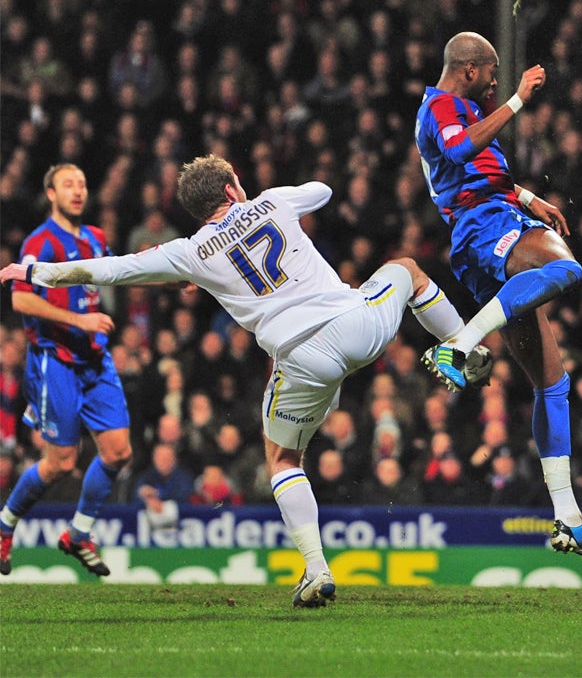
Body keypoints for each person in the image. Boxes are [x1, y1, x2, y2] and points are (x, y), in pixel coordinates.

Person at [0, 154, 482, 607]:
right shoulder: (272, 200)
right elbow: (324, 189)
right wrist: (263, 202)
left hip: (302, 358)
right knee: (407, 270)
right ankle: (463, 348)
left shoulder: (191, 251)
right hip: (359, 327)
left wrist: (40, 272)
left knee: (283, 459)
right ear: (232, 187)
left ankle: (317, 569)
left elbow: (115, 269)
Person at [413, 31, 582, 563]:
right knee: (566, 266)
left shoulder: (458, 107)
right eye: (491, 73)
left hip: (493, 216)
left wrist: (532, 198)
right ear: (468, 70)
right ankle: (458, 343)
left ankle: (569, 519)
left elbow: (481, 172)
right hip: (483, 227)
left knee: (552, 383)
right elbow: (460, 149)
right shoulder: (441, 106)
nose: (494, 83)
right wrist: (518, 100)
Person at [1, 163, 133, 579]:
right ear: (51, 194)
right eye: (68, 184)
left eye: (82, 183)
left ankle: (78, 534)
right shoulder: (40, 241)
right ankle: (4, 526)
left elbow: (119, 273)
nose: (78, 191)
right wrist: (80, 322)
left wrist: (172, 281)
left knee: (118, 452)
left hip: (95, 359)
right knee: (60, 462)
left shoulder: (95, 237)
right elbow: (21, 301)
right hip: (54, 360)